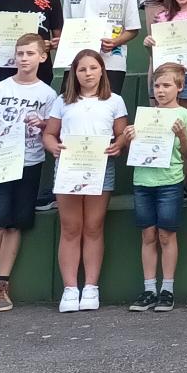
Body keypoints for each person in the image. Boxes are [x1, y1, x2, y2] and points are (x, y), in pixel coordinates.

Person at [0, 31, 61, 315]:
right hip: (0, 165)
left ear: (42, 57)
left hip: (30, 164)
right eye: (20, 53)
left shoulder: (48, 94)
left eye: (30, 53)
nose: (24, 58)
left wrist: (42, 124)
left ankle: (2, 284)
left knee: (15, 225)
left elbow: (52, 130)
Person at [47, 47, 127, 313]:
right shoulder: (62, 101)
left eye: (93, 68)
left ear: (102, 70)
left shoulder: (115, 101)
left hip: (100, 168)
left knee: (93, 227)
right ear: (74, 73)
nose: (88, 73)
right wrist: (53, 147)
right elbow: (50, 134)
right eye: (82, 69)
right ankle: (70, 288)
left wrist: (119, 144)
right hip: (68, 169)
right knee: (70, 227)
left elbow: (121, 134)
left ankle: (91, 286)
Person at [128, 62, 187, 312]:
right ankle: (149, 289)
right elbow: (135, 150)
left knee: (166, 235)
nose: (161, 90)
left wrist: (181, 135)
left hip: (169, 181)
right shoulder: (146, 116)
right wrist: (129, 138)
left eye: (167, 85)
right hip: (142, 180)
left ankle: (167, 289)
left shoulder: (186, 116)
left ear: (180, 87)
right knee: (148, 235)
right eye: (157, 86)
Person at [64, 0, 143, 102]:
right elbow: (67, 28)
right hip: (77, 63)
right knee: (71, 105)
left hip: (111, 62)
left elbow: (133, 29)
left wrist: (115, 42)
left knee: (105, 106)